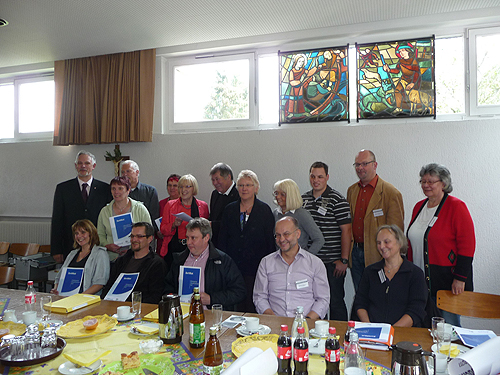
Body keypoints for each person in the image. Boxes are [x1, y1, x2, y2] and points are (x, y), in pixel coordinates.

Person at [407, 163, 475, 327]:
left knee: (447, 329)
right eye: (423, 181)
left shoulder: (456, 206)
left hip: (446, 281)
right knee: (422, 327)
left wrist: (460, 278)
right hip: (420, 279)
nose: (426, 185)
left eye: (431, 181)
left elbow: (468, 244)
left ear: (443, 183)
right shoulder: (419, 206)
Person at [346, 150, 404, 291]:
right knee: (360, 296)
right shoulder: (352, 191)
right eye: (357, 164)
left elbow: (396, 231)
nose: (360, 168)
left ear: (375, 165)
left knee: (379, 296)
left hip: (378, 254)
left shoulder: (390, 192)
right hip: (355, 254)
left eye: (365, 164)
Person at [219, 170, 275, 312]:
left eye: (248, 185)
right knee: (234, 305)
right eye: (241, 185)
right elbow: (222, 239)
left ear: (256, 188)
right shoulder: (229, 210)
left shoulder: (264, 210)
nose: (244, 188)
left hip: (256, 268)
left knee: (252, 304)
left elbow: (270, 242)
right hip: (232, 267)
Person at [302, 161, 352, 321]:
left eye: (320, 177)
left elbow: (347, 230)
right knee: (314, 302)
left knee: (335, 302)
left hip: (333, 263)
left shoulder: (338, 200)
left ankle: (339, 338)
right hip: (309, 263)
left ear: (327, 178)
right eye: (313, 176)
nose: (316, 180)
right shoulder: (303, 200)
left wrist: (344, 260)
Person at [253, 216, 330, 318]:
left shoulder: (315, 263)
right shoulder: (266, 262)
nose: (282, 239)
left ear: (297, 234)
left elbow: (323, 299)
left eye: (286, 234)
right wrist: (273, 318)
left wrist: (306, 322)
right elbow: (259, 297)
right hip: (274, 324)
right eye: (278, 235)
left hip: (306, 325)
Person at [353, 224, 427, 327]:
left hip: (403, 334)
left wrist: (392, 331)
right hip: (372, 333)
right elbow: (360, 303)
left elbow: (416, 310)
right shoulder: (370, 272)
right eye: (379, 243)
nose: (382, 247)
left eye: (386, 242)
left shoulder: (415, 274)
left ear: (400, 242)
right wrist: (369, 326)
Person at [164, 218, 245, 310]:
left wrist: (211, 299)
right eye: (187, 238)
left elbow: (239, 291)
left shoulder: (222, 261)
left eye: (193, 238)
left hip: (210, 315)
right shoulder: (179, 260)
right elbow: (168, 287)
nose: (189, 242)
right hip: (182, 314)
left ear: (206, 238)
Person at [51, 150, 112, 263]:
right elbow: (57, 220)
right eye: (80, 163)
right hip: (71, 245)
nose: (83, 166)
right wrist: (56, 249)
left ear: (93, 166)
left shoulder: (105, 189)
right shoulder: (63, 189)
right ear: (75, 166)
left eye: (87, 163)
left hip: (97, 245)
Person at [101, 222, 167, 304]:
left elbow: (155, 296)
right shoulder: (121, 261)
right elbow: (108, 287)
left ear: (150, 239)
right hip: (113, 306)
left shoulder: (156, 264)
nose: (134, 240)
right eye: (132, 236)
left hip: (139, 309)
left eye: (139, 236)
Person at [159, 174, 209, 268]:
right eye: (181, 187)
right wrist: (173, 225)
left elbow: (206, 231)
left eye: (187, 186)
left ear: (193, 189)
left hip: (196, 249)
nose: (183, 190)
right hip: (174, 249)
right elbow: (163, 229)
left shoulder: (203, 206)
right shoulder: (170, 205)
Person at [97, 176, 152, 261]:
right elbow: (100, 234)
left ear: (128, 190)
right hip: (111, 258)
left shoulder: (140, 208)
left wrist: (133, 248)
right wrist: (107, 246)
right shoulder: (104, 211)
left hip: (136, 258)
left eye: (120, 188)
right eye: (113, 189)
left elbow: (149, 233)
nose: (116, 192)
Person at [51, 219, 110, 295]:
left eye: (83, 232)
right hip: (66, 297)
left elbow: (100, 283)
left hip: (87, 299)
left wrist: (81, 297)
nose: (79, 236)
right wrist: (56, 289)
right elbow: (58, 278)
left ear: (91, 234)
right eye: (76, 233)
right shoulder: (72, 254)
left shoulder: (100, 253)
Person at [272, 178, 324, 255]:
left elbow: (319, 239)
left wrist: (306, 258)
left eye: (282, 194)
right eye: (276, 193)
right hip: (280, 261)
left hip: (298, 262)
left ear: (291, 196)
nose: (278, 197)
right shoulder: (275, 213)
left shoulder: (302, 214)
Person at [120, 160, 160, 228]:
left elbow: (154, 216)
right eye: (123, 172)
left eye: (128, 171)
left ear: (137, 172)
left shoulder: (150, 191)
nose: (125, 174)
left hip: (144, 233)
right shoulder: (119, 193)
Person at [209, 163, 239, 248]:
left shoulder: (239, 194)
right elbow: (213, 216)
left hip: (232, 244)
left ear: (228, 177)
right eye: (213, 180)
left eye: (217, 179)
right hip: (216, 243)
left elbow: (235, 223)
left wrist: (212, 225)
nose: (215, 183)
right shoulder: (215, 194)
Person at [157, 174, 181, 253]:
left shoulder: (184, 203)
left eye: (175, 185)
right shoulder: (161, 203)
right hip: (163, 242)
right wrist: (157, 233)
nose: (172, 188)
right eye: (169, 185)